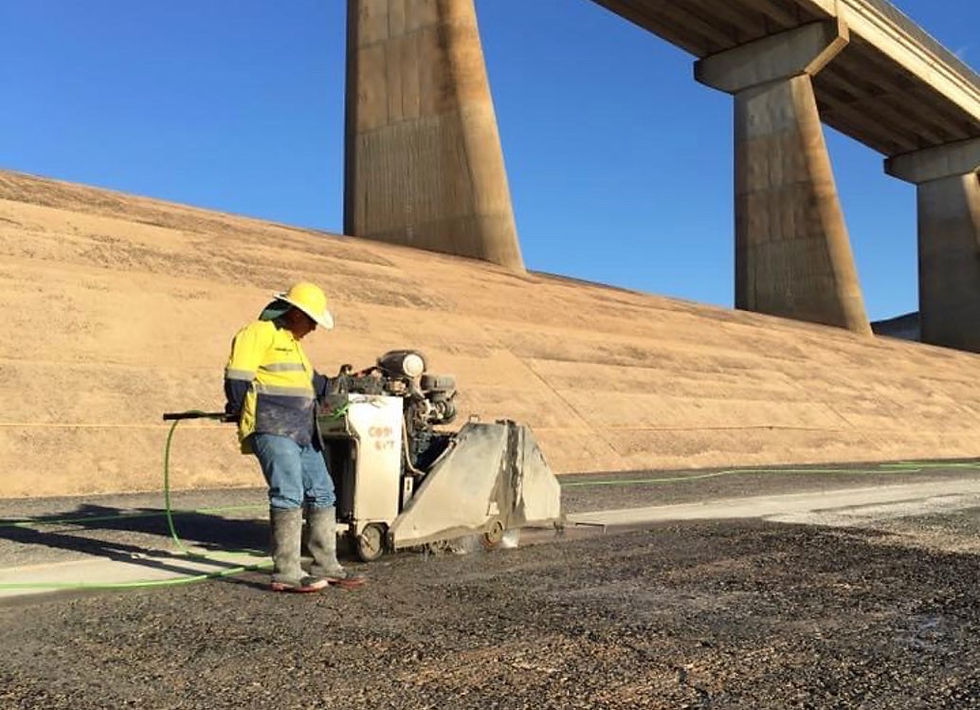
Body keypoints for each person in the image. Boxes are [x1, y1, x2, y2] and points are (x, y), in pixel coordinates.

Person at [223, 282, 362, 592]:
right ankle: (287, 570)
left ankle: (327, 564)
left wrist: (341, 384)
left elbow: (311, 381)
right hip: (272, 426)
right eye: (311, 319)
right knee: (288, 493)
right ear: (296, 312)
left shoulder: (293, 343)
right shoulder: (258, 333)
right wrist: (237, 406)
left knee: (323, 492)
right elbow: (237, 377)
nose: (314, 327)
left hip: (303, 429)